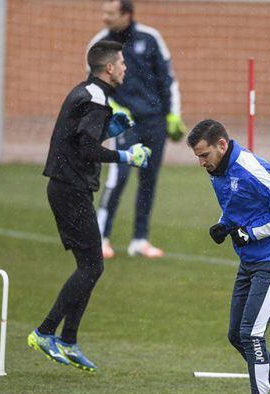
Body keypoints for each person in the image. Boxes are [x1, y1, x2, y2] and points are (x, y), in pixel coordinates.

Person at [28, 40, 151, 372]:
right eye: (122, 62)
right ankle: (45, 332)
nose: (125, 67)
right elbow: (85, 148)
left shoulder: (87, 92)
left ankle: (68, 340)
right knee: (92, 267)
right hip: (70, 189)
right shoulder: (96, 99)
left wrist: (108, 129)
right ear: (109, 68)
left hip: (68, 187)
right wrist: (126, 155)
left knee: (90, 265)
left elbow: (79, 137)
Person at [188, 119, 270, 394]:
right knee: (236, 335)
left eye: (204, 154)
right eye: (197, 157)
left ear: (222, 145)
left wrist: (250, 234)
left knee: (252, 335)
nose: (201, 163)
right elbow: (237, 205)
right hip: (250, 262)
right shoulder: (218, 171)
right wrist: (223, 224)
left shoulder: (250, 167)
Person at [89, 0, 186, 259]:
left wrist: (173, 116)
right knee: (118, 176)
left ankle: (139, 240)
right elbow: (94, 87)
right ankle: (101, 237)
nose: (104, 17)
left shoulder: (151, 38)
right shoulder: (100, 44)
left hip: (154, 122)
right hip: (123, 122)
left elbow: (168, 79)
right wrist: (115, 111)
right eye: (104, 12)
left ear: (126, 14)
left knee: (148, 180)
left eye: (110, 13)